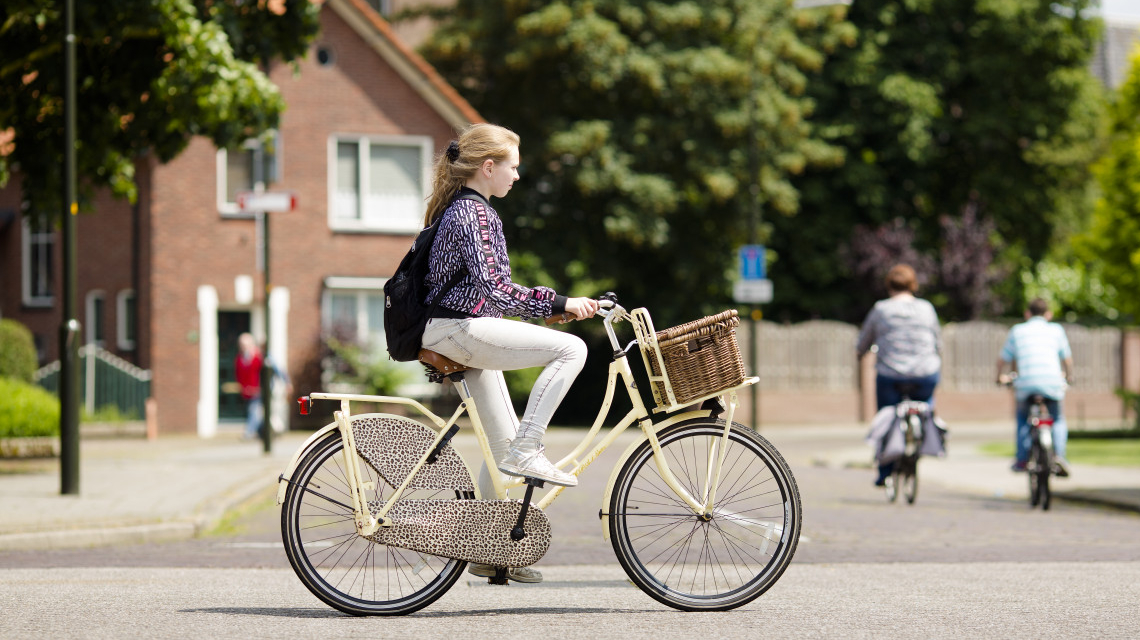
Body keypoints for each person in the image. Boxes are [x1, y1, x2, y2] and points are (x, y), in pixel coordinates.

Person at [419, 123, 598, 583]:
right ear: (489, 167)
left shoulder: (465, 210)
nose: (517, 176)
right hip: (456, 329)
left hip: (453, 328)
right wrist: (559, 302)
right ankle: (528, 450)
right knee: (573, 351)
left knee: (500, 446)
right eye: (513, 168)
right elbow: (496, 293)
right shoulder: (474, 214)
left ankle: (490, 549)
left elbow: (485, 296)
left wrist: (546, 314)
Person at [856, 264, 943, 486]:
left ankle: (884, 471)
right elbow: (938, 342)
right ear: (913, 284)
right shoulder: (927, 308)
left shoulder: (881, 309)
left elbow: (864, 341)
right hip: (925, 373)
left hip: (891, 374)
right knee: (926, 408)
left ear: (889, 285)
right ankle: (923, 436)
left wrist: (861, 352)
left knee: (886, 416)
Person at [995, 298, 1073, 476]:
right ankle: (1059, 456)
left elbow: (1003, 360)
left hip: (1026, 384)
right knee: (1058, 419)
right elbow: (1067, 360)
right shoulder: (1056, 330)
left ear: (1027, 314)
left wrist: (999, 378)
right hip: (1053, 383)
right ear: (1049, 314)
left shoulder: (1018, 330)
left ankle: (1022, 459)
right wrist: (1069, 377)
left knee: (1023, 418)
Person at [234, 332, 291, 440]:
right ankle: (265, 433)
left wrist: (287, 382)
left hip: (261, 389)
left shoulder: (261, 355)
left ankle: (248, 432)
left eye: (245, 345)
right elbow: (238, 374)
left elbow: (277, 369)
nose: (243, 347)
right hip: (248, 392)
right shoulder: (240, 358)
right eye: (241, 345)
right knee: (256, 412)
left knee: (254, 409)